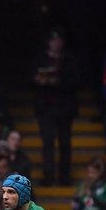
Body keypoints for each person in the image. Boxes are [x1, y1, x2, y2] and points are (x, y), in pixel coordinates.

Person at [30, 27, 80, 186]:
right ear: (48, 42)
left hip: (65, 109)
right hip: (46, 108)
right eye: (53, 40)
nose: (56, 43)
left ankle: (65, 177)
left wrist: (59, 82)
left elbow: (77, 82)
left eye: (58, 40)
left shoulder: (70, 60)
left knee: (65, 143)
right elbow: (31, 80)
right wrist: (38, 80)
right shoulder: (39, 59)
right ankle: (48, 176)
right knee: (48, 142)